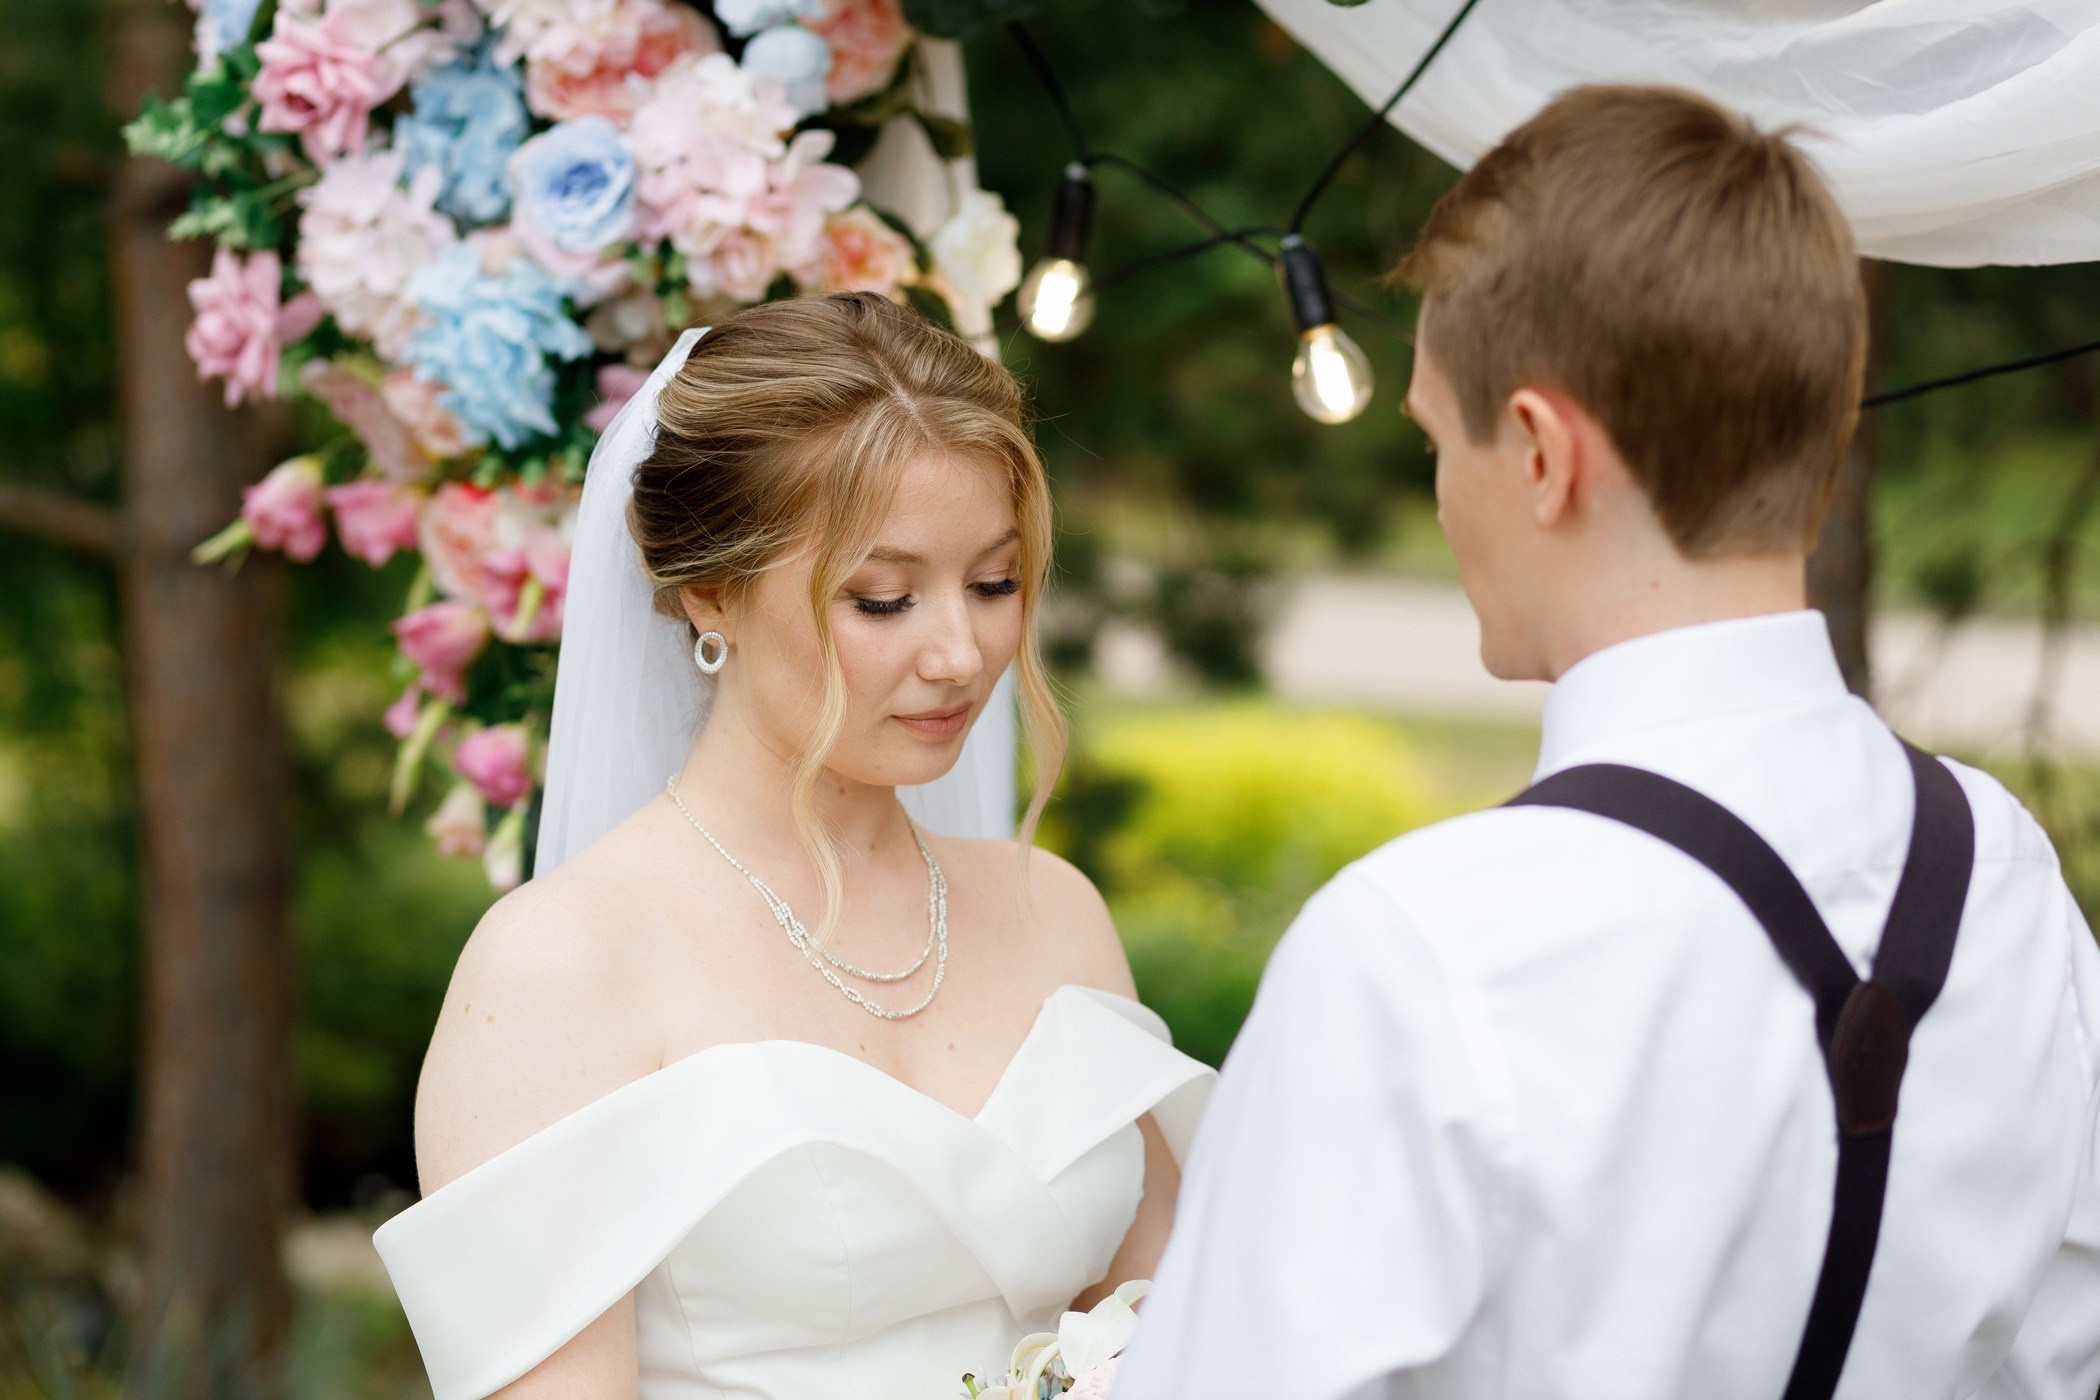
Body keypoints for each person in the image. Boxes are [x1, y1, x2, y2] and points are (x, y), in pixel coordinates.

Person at [1114, 85, 2100, 1400]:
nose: (1439, 488)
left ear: (1537, 453)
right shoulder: (2005, 878)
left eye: (1433, 438)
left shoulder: (1418, 951)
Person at [372, 293, 1214, 1400]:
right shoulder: (561, 962)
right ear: (710, 590)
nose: (960, 651)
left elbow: (1171, 1330)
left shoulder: (1053, 910)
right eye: (882, 598)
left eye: (995, 582)